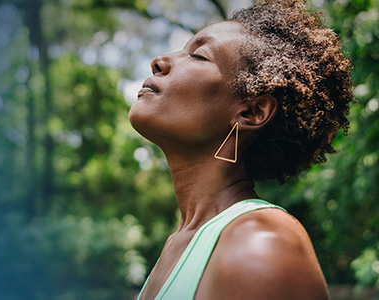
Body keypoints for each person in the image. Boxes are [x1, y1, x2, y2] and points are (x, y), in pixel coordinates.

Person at [129, 0, 354, 299]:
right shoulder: (177, 245)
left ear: (252, 112)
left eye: (198, 55)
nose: (160, 61)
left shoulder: (260, 241)